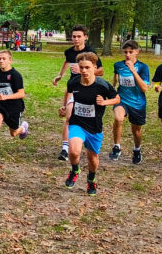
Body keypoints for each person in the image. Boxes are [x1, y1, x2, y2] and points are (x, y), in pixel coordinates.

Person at [62, 52, 119, 195]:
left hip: (94, 127)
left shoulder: (102, 85)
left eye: (87, 67)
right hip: (77, 123)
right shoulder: (73, 82)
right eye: (81, 68)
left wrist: (105, 102)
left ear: (94, 67)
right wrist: (64, 107)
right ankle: (75, 170)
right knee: (74, 151)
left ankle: (91, 179)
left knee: (92, 159)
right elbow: (69, 94)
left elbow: (117, 99)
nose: (84, 71)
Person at [52, 24, 104, 161]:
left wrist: (83, 70)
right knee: (69, 117)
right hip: (73, 87)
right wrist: (60, 75)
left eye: (79, 36)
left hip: (88, 88)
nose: (75, 39)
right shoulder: (69, 52)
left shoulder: (90, 52)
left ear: (85, 37)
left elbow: (101, 71)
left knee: (85, 117)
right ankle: (65, 149)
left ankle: (86, 140)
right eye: (74, 36)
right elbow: (67, 61)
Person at [0, 50, 29, 168]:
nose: (1, 61)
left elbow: (21, 94)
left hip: (14, 106)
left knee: (13, 133)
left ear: (10, 60)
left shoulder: (15, 75)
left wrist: (6, 97)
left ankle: (23, 128)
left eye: (4, 58)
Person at [110, 40, 149, 161]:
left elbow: (144, 88)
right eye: (125, 52)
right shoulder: (118, 65)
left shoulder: (143, 67)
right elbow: (116, 77)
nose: (127, 55)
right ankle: (117, 147)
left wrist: (133, 71)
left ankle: (137, 150)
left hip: (138, 103)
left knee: (136, 131)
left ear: (136, 52)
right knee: (118, 118)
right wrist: (113, 89)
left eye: (130, 52)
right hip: (122, 99)